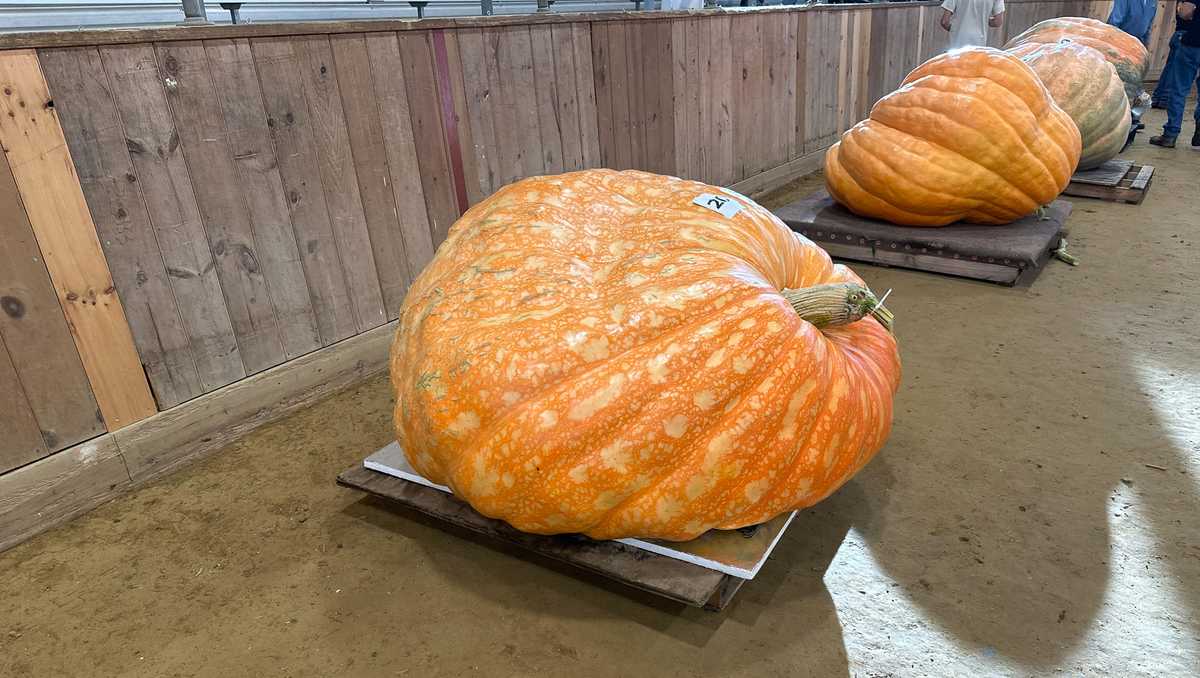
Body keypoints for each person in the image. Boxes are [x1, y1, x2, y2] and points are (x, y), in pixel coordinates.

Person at [1150, 0, 1200, 148]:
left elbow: (1185, 12)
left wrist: (1184, 13)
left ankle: (1170, 134)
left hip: (1192, 44)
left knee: (1179, 90)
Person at [1152, 11, 1199, 108]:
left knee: (1171, 69)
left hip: (1182, 33)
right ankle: (1164, 99)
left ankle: (1159, 98)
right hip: (1187, 36)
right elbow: (1184, 14)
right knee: (1176, 73)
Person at [939, 0, 1005, 51]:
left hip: (955, 46)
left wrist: (955, 30)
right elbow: (997, 22)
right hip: (978, 45)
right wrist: (983, 19)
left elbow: (944, 22)